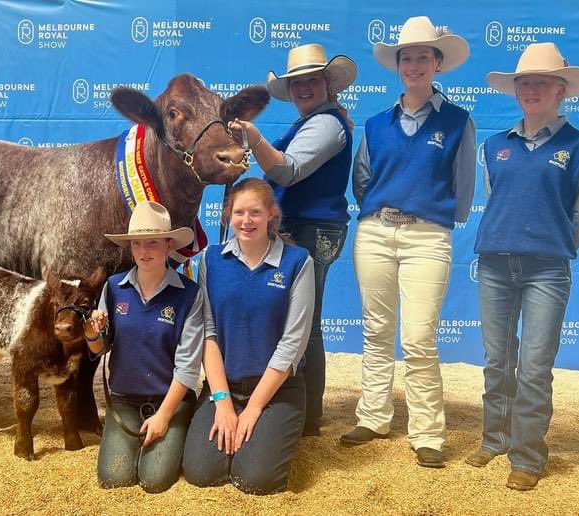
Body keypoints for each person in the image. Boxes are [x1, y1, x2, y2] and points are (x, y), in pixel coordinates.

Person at [465, 42, 579, 491]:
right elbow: (496, 200)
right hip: (493, 264)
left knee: (535, 366)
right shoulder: (494, 146)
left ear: (561, 89)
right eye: (524, 82)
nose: (531, 89)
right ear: (515, 89)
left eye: (541, 82)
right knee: (497, 359)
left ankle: (527, 456)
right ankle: (495, 438)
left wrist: (553, 244)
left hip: (547, 269)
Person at [341, 16, 476, 469]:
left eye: (423, 57)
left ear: (438, 63)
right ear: (397, 65)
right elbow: (363, 180)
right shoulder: (377, 123)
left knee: (419, 338)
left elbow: (464, 186)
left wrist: (430, 218)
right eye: (407, 58)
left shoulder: (458, 121)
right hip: (376, 231)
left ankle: (427, 433)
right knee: (376, 330)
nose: (414, 65)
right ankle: (374, 416)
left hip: (427, 236)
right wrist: (384, 212)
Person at [229, 43, 357, 437]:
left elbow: (287, 172)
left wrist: (252, 139)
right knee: (300, 322)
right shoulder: (313, 121)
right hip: (303, 229)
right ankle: (300, 409)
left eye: (311, 81)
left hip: (311, 231)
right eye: (297, 83)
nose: (303, 88)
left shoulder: (325, 123)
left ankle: (307, 416)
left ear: (326, 84)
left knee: (306, 325)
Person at [182, 178, 315, 495]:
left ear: (271, 213)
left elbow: (291, 346)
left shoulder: (298, 263)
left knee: (255, 480)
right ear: (227, 214)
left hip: (276, 392)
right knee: (202, 472)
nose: (246, 220)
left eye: (255, 212)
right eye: (239, 212)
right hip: (224, 387)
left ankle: (269, 431)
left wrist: (253, 410)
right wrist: (223, 403)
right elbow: (207, 333)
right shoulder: (211, 261)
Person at [85, 201, 204, 493]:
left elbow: (188, 366)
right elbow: (101, 348)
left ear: (168, 246)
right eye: (137, 243)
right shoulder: (113, 288)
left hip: (171, 402)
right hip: (124, 400)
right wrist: (91, 334)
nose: (144, 251)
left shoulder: (189, 294)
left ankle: (179, 429)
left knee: (155, 481)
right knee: (114, 478)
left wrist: (164, 416)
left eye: (152, 242)